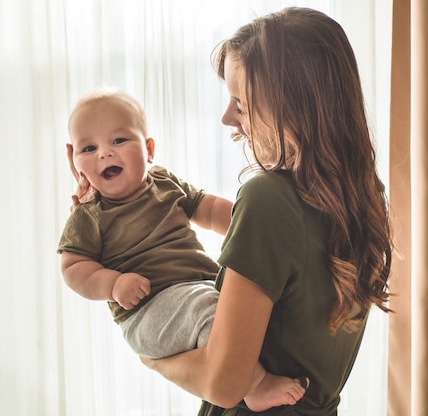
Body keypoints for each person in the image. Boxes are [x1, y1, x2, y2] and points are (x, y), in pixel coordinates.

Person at [140, 7, 393, 416]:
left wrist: (151, 356)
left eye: (240, 104)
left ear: (292, 106)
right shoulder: (361, 200)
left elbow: (224, 385)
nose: (227, 118)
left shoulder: (268, 199)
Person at [57, 88, 308, 411]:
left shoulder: (163, 181)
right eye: (88, 148)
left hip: (197, 288)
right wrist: (113, 284)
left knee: (234, 302)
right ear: (74, 161)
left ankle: (246, 368)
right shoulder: (90, 213)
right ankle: (254, 385)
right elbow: (73, 267)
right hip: (147, 309)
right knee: (211, 313)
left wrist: (247, 222)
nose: (104, 154)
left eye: (119, 141)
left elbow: (208, 208)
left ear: (149, 149)